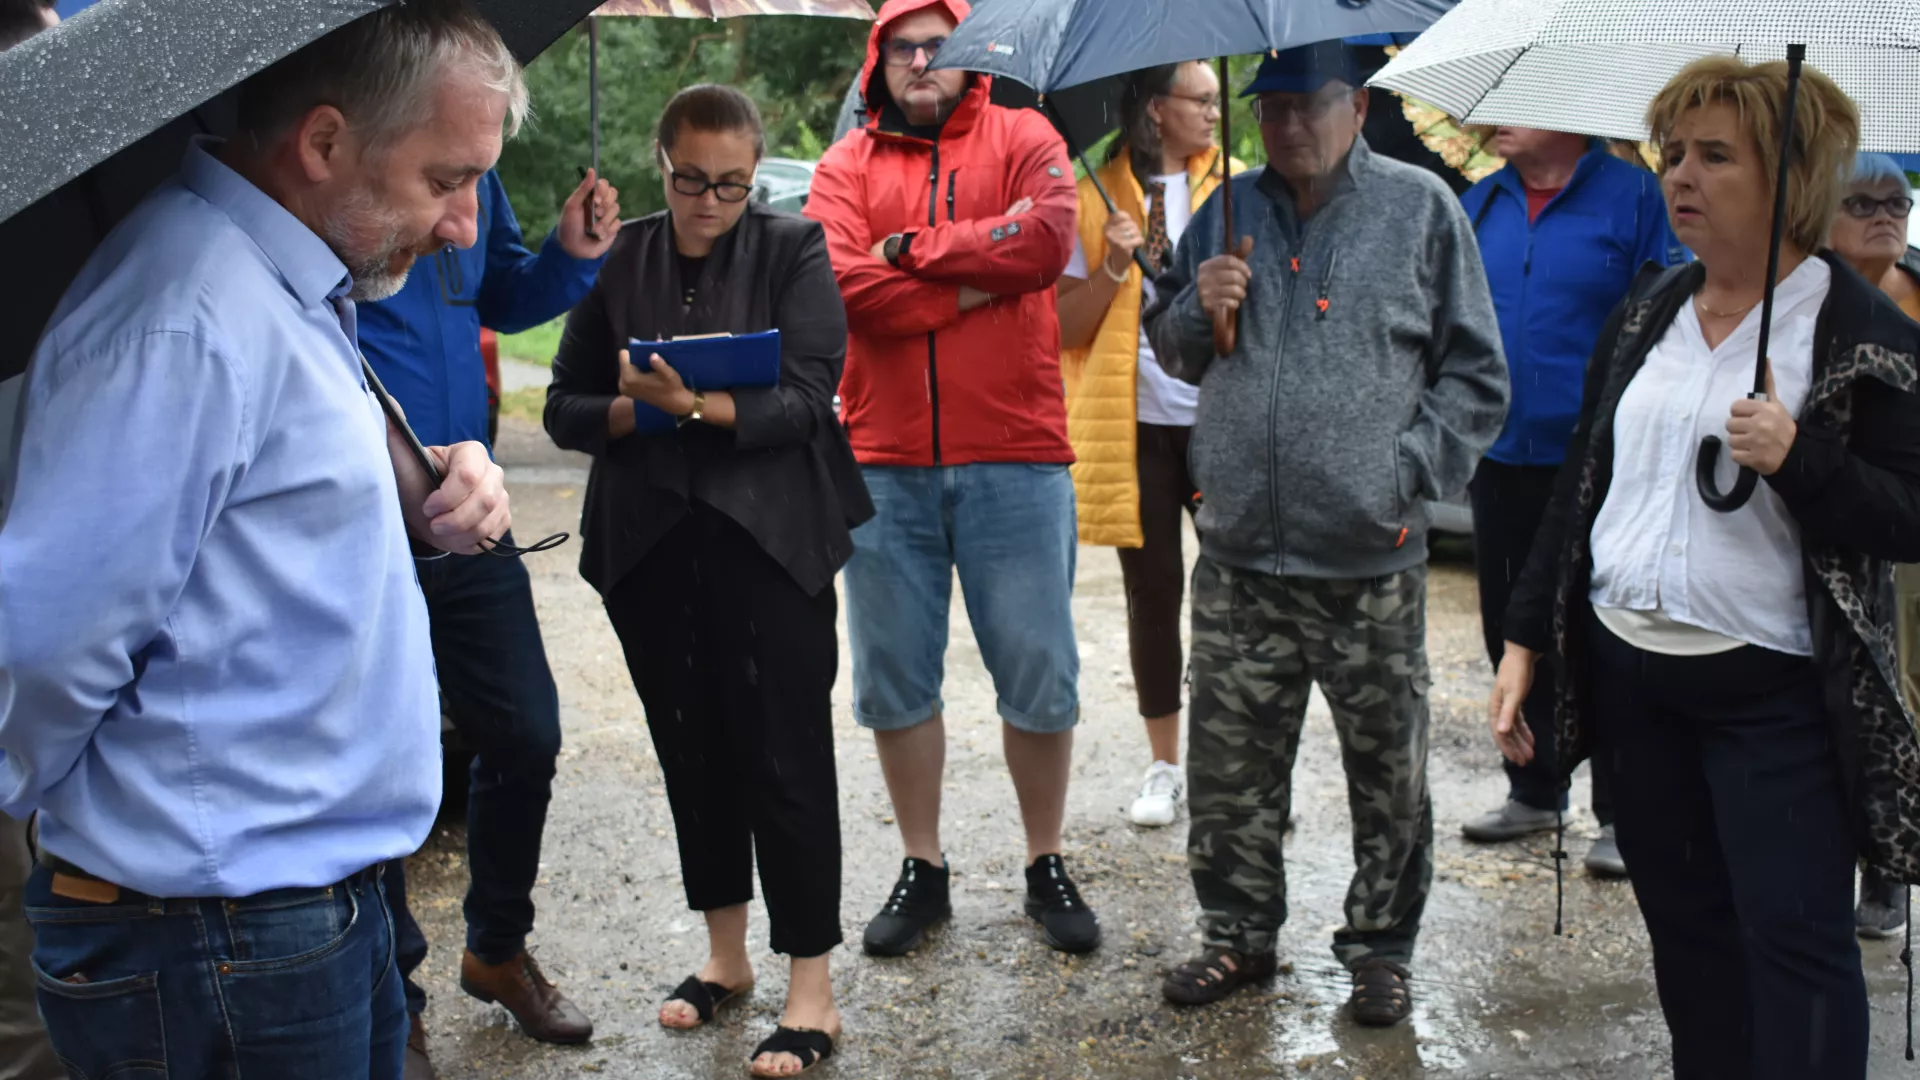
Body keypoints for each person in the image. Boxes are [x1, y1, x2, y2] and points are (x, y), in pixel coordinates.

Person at [0, 1, 520, 1075]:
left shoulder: (279, 281)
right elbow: (45, 643)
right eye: (445, 179)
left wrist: (436, 490)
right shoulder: (185, 316)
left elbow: (264, 539)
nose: (467, 223)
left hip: (289, 913)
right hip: (212, 932)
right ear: (323, 143)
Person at [1491, 57, 1920, 1078]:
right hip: (1633, 683)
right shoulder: (1649, 307)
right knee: (1689, 943)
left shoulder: (1866, 334)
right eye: (1671, 152)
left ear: (1794, 174)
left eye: (1715, 155)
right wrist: (1523, 636)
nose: (1679, 176)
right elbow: (1582, 482)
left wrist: (1799, 460)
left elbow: (1909, 517)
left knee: (1798, 949)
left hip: (1772, 698)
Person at [1146, 42, 1508, 1026]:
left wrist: (1407, 479)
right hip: (1237, 560)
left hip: (1366, 557)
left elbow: (1477, 374)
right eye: (1272, 109)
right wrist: (1196, 302)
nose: (1290, 125)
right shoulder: (1227, 210)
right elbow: (1173, 349)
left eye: (1311, 105)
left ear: (1357, 106)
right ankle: (1237, 936)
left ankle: (1382, 948)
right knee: (1229, 771)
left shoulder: (1419, 209)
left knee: (1388, 772)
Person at [546, 83, 871, 1079]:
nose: (709, 203)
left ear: (755, 175)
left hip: (770, 539)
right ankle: (726, 955)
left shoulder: (792, 247)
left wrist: (694, 406)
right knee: (691, 746)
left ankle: (810, 985)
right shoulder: (622, 258)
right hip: (650, 540)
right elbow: (563, 405)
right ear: (661, 161)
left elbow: (809, 399)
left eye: (732, 185)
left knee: (784, 754)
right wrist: (642, 414)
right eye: (692, 181)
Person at [804, 0, 1096, 959]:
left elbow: (1049, 240)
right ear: (877, 62)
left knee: (1040, 672)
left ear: (974, 54)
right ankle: (923, 867)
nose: (923, 60)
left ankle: (1044, 858)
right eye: (904, 48)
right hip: (883, 461)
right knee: (894, 679)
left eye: (941, 45)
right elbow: (846, 289)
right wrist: (979, 278)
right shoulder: (846, 165)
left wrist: (916, 254)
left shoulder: (1027, 135)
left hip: (1016, 451)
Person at [359, 164, 617, 1073]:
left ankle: (495, 950)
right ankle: (395, 995)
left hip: (470, 504)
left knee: (524, 733)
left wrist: (571, 252)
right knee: (386, 751)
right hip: (364, 514)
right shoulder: (364, 161)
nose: (460, 210)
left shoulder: (476, 166)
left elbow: (504, 293)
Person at [1457, 126, 1687, 877]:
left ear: (1563, 111)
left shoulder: (1637, 197)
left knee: (1602, 633)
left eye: (1514, 100)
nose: (1493, 116)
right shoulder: (1478, 203)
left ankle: (1622, 811)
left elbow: (1669, 312)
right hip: (1498, 451)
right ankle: (1534, 786)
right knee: (1510, 623)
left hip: (1602, 459)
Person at [1056, 61, 1238, 829]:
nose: (1216, 114)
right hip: (1136, 425)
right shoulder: (1091, 191)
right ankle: (1166, 765)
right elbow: (1064, 326)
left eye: (1217, 99)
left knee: (1239, 598)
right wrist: (1110, 265)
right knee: (1153, 595)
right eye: (1202, 100)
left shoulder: (1236, 188)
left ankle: (1236, 766)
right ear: (1158, 108)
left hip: (1220, 420)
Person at [1820, 151, 1920, 944]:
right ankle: (1875, 862)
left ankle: (1890, 862)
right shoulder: (1805, 310)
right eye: (1864, 202)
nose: (1886, 215)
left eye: (1899, 200)